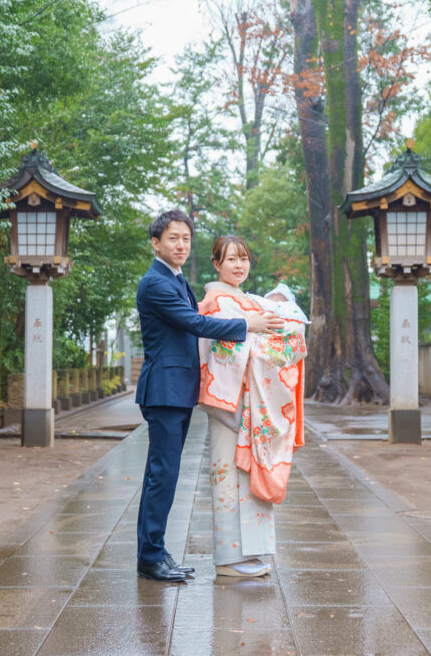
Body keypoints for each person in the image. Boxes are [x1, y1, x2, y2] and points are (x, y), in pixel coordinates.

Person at [135, 211, 283, 583]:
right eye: (172, 238)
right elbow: (195, 324)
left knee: (165, 474)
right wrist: (247, 325)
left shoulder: (176, 279)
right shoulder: (156, 283)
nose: (180, 245)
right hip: (165, 391)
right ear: (156, 243)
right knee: (161, 474)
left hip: (178, 390)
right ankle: (150, 556)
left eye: (185, 238)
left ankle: (156, 551)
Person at [197, 236, 307, 578]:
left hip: (250, 401)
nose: (239, 265)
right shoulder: (216, 301)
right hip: (231, 401)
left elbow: (263, 341)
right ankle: (228, 558)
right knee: (227, 477)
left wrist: (282, 342)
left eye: (243, 258)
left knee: (247, 474)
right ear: (216, 264)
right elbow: (226, 353)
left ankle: (250, 552)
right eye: (230, 259)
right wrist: (270, 341)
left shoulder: (246, 300)